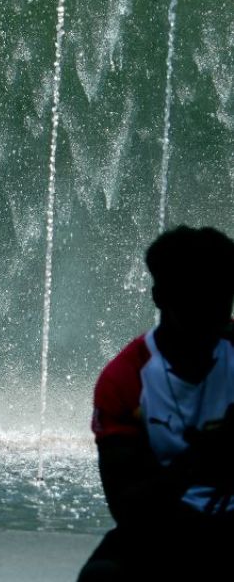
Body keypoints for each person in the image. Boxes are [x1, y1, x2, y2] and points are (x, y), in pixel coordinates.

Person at [79, 225, 234, 581]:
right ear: (160, 297)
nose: (210, 322)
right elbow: (127, 509)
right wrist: (202, 459)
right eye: (195, 304)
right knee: (102, 576)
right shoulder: (124, 380)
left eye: (220, 305)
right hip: (164, 527)